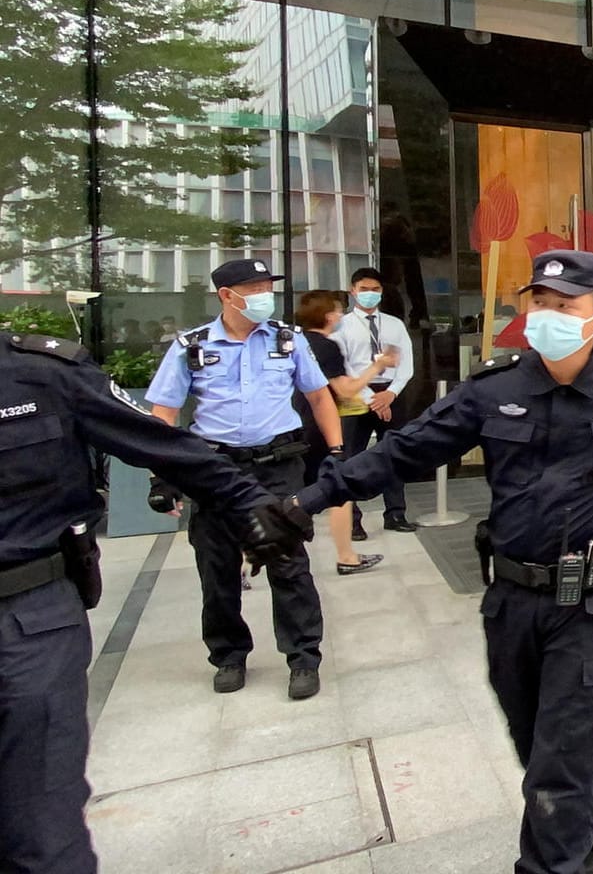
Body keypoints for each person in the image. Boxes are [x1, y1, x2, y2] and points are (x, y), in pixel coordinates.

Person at [293, 249, 593, 874]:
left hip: (591, 599)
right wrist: (305, 500)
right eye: (541, 303)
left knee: (555, 770)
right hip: (511, 599)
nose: (550, 315)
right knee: (533, 739)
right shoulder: (493, 389)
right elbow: (401, 454)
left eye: (567, 305)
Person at [0, 331, 304, 874]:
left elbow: (156, 436)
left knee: (40, 823)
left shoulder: (39, 373)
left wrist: (250, 504)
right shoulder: (190, 348)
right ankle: (228, 650)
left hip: (27, 615)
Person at [146, 258, 337, 700]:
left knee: (288, 562)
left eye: (266, 286)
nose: (262, 295)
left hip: (277, 466)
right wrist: (164, 475)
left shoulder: (288, 341)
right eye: (252, 288)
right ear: (226, 296)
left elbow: (319, 397)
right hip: (215, 469)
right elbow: (165, 413)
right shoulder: (190, 346)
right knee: (217, 568)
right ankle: (229, 655)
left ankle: (304, 657)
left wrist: (338, 453)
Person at [295, 290, 396, 575]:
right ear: (328, 316)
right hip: (321, 428)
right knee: (338, 490)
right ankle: (346, 557)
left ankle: (244, 562)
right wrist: (378, 366)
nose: (342, 315)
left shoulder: (296, 342)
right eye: (339, 311)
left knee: (297, 495)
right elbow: (344, 389)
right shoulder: (326, 347)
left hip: (298, 424)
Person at [334, 268, 417, 539]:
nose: (371, 294)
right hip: (356, 395)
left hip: (391, 394)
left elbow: (406, 364)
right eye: (365, 289)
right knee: (351, 458)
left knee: (394, 453)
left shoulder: (394, 324)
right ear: (353, 291)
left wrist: (390, 394)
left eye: (376, 290)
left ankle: (395, 512)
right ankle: (353, 520)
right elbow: (342, 366)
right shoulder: (341, 326)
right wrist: (372, 398)